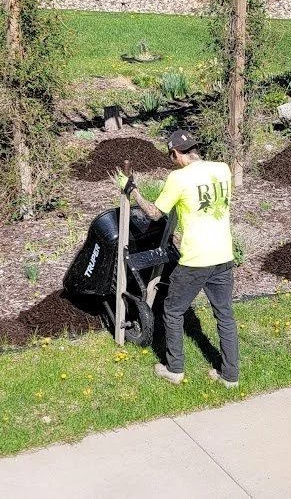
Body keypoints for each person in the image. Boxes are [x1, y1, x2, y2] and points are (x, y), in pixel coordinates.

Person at [126, 129, 239, 388]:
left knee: (173, 310)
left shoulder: (178, 178)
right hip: (223, 254)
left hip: (196, 259)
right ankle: (230, 376)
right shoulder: (222, 169)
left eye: (171, 156)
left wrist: (134, 192)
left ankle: (174, 369)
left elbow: (155, 213)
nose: (172, 161)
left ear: (176, 153)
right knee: (225, 315)